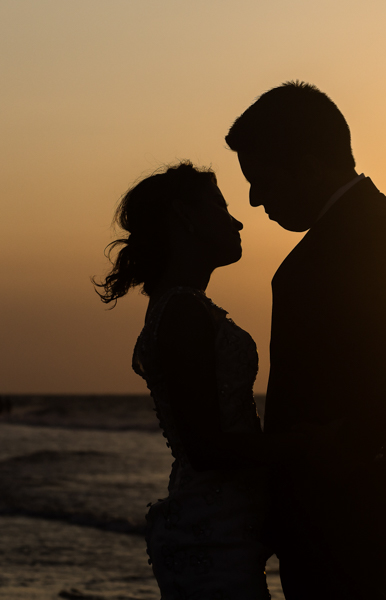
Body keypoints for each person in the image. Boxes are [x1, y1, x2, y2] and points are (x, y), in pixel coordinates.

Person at [226, 82, 386, 599]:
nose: (254, 199)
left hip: (343, 502)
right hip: (324, 502)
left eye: (261, 179)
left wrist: (348, 442)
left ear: (307, 164)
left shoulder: (368, 226)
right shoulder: (350, 226)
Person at [95, 162, 285, 599]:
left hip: (223, 523)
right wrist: (306, 444)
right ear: (185, 217)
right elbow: (206, 445)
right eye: (219, 206)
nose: (236, 220)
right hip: (212, 532)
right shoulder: (182, 312)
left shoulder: (181, 306)